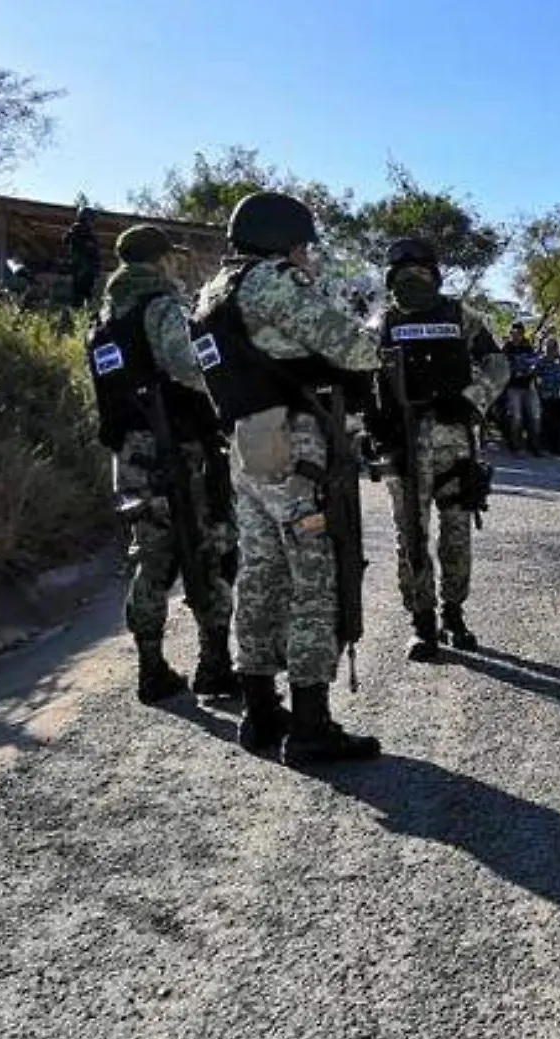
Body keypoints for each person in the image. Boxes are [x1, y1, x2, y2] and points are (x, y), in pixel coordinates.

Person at [190, 192, 385, 764]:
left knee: (260, 577)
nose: (307, 257)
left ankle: (260, 711)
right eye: (303, 246)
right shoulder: (271, 282)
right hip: (293, 451)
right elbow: (355, 349)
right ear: (283, 242)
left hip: (247, 449)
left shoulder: (212, 292)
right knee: (313, 582)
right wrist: (370, 324)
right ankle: (309, 726)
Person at [88, 224, 238, 704]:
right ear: (158, 261)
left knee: (150, 561)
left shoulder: (106, 317)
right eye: (170, 258)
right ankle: (214, 664)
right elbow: (189, 368)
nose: (175, 265)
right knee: (207, 549)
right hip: (177, 451)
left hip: (130, 455)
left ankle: (151, 670)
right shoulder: (161, 308)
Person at [366, 238, 509, 659]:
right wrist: (371, 427)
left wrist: (469, 400)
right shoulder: (383, 321)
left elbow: (497, 363)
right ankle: (431, 619)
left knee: (436, 534)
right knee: (424, 535)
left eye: (419, 271)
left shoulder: (454, 315)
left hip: (449, 446)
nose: (414, 278)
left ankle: (442, 617)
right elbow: (359, 381)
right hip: (407, 445)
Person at [500, 322, 542, 456]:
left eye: (517, 334)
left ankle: (534, 445)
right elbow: (503, 366)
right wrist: (518, 369)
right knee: (516, 417)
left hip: (528, 386)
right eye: (512, 334)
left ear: (522, 334)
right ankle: (515, 446)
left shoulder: (528, 347)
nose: (515, 336)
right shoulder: (506, 348)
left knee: (535, 416)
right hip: (513, 387)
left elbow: (534, 363)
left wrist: (527, 370)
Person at [535, 337, 560, 457]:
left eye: (554, 347)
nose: (551, 350)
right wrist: (540, 392)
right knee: (546, 422)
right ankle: (545, 447)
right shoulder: (540, 362)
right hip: (545, 396)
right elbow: (534, 379)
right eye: (549, 347)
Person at [65, 205, 101, 310]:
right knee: (81, 298)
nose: (92, 223)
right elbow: (87, 250)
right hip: (83, 269)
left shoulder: (80, 231)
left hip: (85, 269)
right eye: (91, 220)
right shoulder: (79, 231)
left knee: (83, 297)